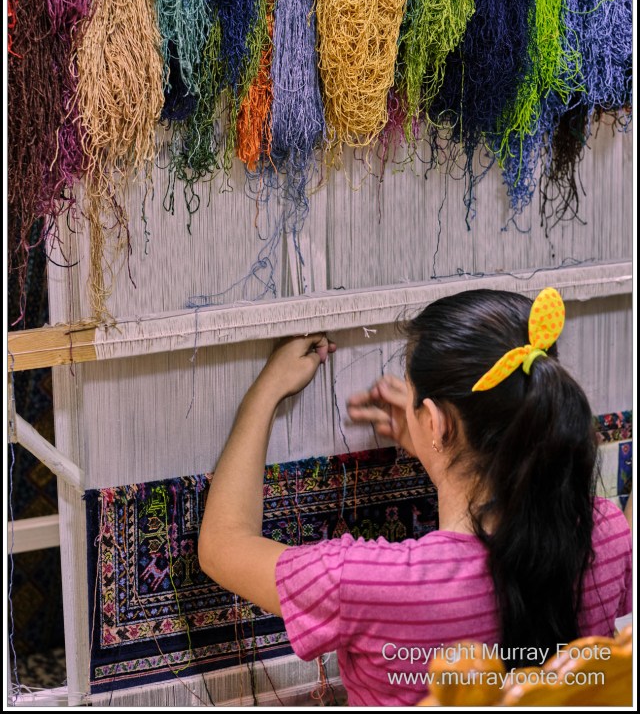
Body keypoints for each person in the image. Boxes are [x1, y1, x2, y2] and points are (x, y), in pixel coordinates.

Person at [198, 288, 632, 706]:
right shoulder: (606, 535)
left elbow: (222, 547)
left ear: (437, 421)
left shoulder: (369, 585)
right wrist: (435, 448)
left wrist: (266, 391)